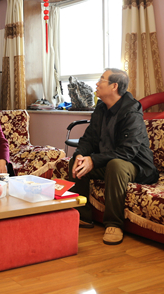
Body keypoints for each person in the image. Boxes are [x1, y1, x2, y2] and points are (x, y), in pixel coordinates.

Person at [68, 68, 159, 245]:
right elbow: (89, 139)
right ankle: (82, 216)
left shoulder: (131, 112)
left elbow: (127, 151)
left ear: (114, 86)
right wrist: (80, 155)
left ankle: (114, 224)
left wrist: (94, 160)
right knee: (75, 162)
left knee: (115, 165)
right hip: (110, 161)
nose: (96, 84)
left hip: (137, 165)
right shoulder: (101, 108)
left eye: (101, 80)